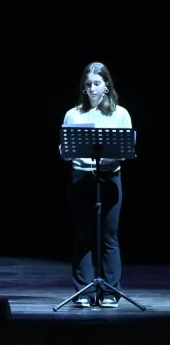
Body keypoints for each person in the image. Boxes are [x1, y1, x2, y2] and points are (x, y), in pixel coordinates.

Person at [61, 62, 131, 307]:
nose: (91, 88)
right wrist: (65, 151)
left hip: (110, 178)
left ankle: (110, 291)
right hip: (81, 177)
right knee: (83, 235)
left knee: (109, 236)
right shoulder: (73, 114)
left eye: (97, 84)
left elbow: (125, 150)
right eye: (88, 84)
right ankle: (84, 292)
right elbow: (66, 149)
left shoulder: (120, 114)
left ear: (106, 85)